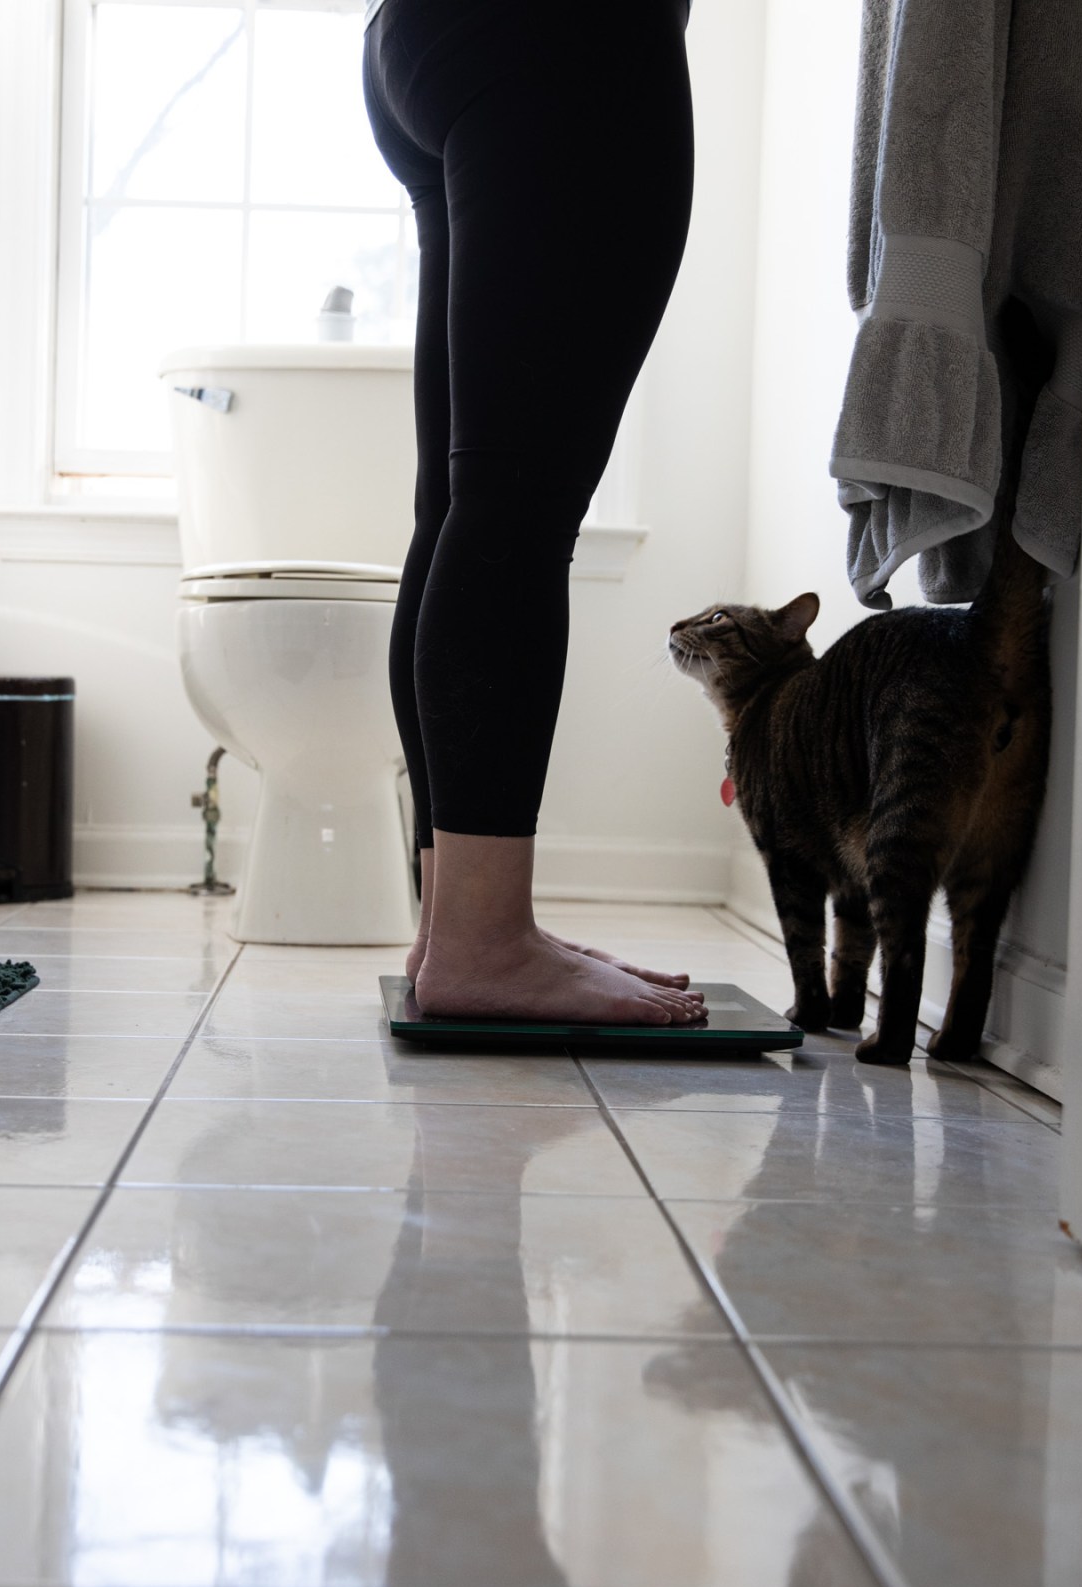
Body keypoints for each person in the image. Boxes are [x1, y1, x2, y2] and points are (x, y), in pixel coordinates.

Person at [364, 0, 704, 1024]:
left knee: (465, 504)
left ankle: (458, 924)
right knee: (514, 503)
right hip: (560, 33)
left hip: (418, 41)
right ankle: (482, 942)